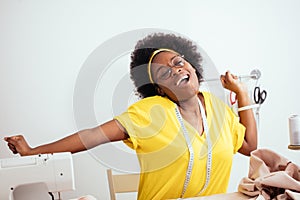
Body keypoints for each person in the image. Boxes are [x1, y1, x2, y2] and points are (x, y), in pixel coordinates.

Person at [4, 33, 257, 200]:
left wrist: (242, 93)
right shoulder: (149, 113)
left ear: (192, 66)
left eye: (179, 62)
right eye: (164, 73)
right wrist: (33, 151)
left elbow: (249, 147)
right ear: (158, 89)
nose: (175, 69)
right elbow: (92, 136)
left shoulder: (218, 108)